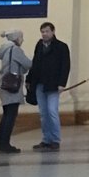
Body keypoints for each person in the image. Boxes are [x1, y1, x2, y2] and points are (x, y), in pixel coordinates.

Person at [27, 22, 70, 151]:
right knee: (43, 113)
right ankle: (46, 139)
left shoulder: (61, 47)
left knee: (52, 111)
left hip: (53, 84)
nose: (44, 34)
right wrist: (29, 79)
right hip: (40, 83)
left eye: (46, 31)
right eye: (42, 32)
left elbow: (65, 66)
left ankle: (55, 139)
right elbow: (35, 63)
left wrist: (62, 83)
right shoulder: (39, 45)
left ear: (53, 32)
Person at [0, 29, 32, 154]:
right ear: (16, 38)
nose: (23, 40)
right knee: (10, 116)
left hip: (4, 84)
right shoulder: (15, 50)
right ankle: (4, 145)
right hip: (11, 86)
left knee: (6, 115)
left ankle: (2, 144)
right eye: (21, 37)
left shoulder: (6, 49)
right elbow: (28, 64)